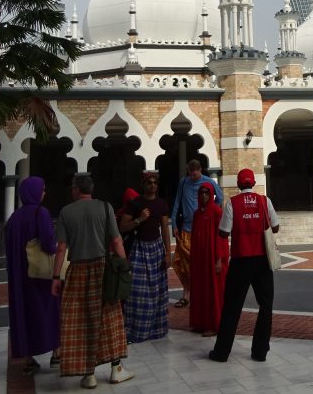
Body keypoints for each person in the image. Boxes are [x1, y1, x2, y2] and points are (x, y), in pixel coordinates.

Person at [52, 173, 132, 389]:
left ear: (77, 189)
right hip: (102, 269)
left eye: (72, 187)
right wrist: (124, 266)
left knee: (80, 320)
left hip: (77, 271)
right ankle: (116, 369)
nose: (71, 190)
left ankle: (89, 374)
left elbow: (61, 248)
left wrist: (56, 276)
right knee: (110, 317)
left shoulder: (66, 212)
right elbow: (116, 240)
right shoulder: (105, 208)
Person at [208, 169, 278, 363]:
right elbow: (276, 227)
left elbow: (223, 232)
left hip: (240, 260)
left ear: (239, 185)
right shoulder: (265, 201)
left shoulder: (232, 203)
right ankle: (260, 351)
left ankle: (222, 352)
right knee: (266, 305)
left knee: (232, 306)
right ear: (253, 183)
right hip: (262, 260)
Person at [3, 176, 61, 375]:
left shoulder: (14, 218)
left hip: (20, 276)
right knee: (51, 308)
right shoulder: (40, 213)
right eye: (42, 189)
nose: (44, 193)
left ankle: (28, 359)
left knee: (24, 312)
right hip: (39, 274)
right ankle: (57, 353)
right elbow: (47, 243)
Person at [119, 172, 171, 343]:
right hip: (139, 249)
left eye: (155, 182)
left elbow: (164, 229)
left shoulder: (162, 204)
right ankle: (136, 330)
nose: (152, 185)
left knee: (157, 291)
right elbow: (123, 226)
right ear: (143, 184)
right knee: (137, 293)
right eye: (149, 182)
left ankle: (157, 330)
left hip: (156, 249)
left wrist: (167, 253)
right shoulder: (135, 204)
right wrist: (140, 219)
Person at [170, 159, 223, 308]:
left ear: (201, 170)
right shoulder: (184, 182)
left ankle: (200, 295)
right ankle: (186, 294)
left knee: (201, 263)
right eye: (191, 175)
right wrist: (174, 223)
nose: (193, 177)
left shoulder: (208, 183)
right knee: (183, 262)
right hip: (186, 228)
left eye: (196, 175)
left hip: (203, 230)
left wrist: (210, 213)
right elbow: (177, 202)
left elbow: (219, 197)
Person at [189, 182, 228, 336]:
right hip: (200, 259)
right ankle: (201, 322)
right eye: (201, 192)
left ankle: (214, 324)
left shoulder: (217, 212)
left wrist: (219, 259)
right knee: (200, 289)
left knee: (213, 291)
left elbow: (222, 238)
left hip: (212, 258)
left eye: (207, 192)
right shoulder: (197, 213)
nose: (204, 195)